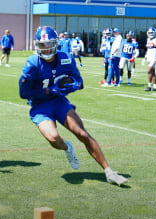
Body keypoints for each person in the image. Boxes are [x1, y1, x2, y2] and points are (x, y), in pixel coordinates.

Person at [19, 26, 128, 186]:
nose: (47, 48)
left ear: (56, 43)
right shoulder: (33, 63)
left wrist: (72, 86)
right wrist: (48, 90)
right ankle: (67, 148)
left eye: (50, 44)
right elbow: (24, 92)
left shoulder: (65, 58)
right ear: (37, 46)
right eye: (43, 45)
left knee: (82, 133)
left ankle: (109, 171)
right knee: (53, 138)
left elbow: (79, 82)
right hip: (40, 106)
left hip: (59, 102)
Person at [144, 27, 156, 91]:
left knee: (149, 70)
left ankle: (149, 86)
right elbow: (148, 49)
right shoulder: (148, 39)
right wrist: (145, 57)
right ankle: (154, 86)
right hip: (150, 57)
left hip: (155, 58)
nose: (150, 34)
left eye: (152, 32)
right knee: (152, 73)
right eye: (149, 32)